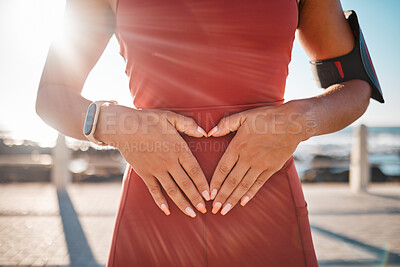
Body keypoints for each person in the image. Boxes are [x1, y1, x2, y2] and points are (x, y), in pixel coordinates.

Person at [36, 0, 375, 266]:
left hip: (268, 215)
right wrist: (114, 126)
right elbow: (51, 95)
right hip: (155, 217)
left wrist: (300, 119)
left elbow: (357, 87)